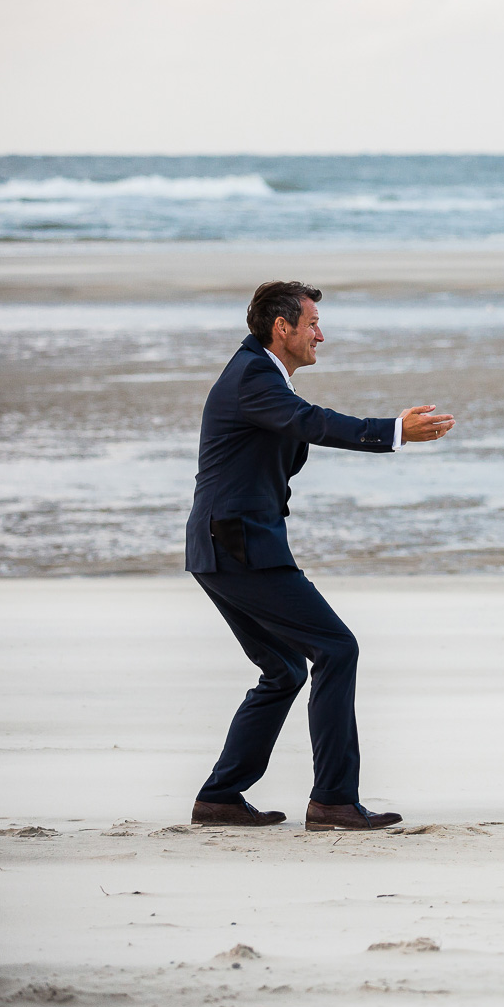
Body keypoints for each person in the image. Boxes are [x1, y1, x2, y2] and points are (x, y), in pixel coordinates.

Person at [184, 280, 454, 831]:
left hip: (226, 546)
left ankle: (220, 797)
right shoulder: (253, 377)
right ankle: (332, 800)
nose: (320, 335)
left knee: (284, 669)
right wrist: (392, 432)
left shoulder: (258, 375)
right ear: (282, 328)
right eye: (312, 325)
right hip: (238, 548)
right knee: (337, 649)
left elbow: (291, 432)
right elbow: (312, 423)